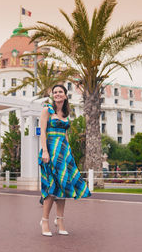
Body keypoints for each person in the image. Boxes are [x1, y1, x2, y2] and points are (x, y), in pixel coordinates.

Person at [38, 84, 91, 237]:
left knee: (63, 188)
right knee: (51, 188)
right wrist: (45, 152)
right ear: (52, 95)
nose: (57, 94)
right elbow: (42, 132)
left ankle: (60, 221)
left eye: (60, 92)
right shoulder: (47, 110)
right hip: (51, 151)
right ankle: (45, 221)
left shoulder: (66, 113)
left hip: (64, 152)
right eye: (55, 92)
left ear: (65, 95)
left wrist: (69, 153)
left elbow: (65, 135)